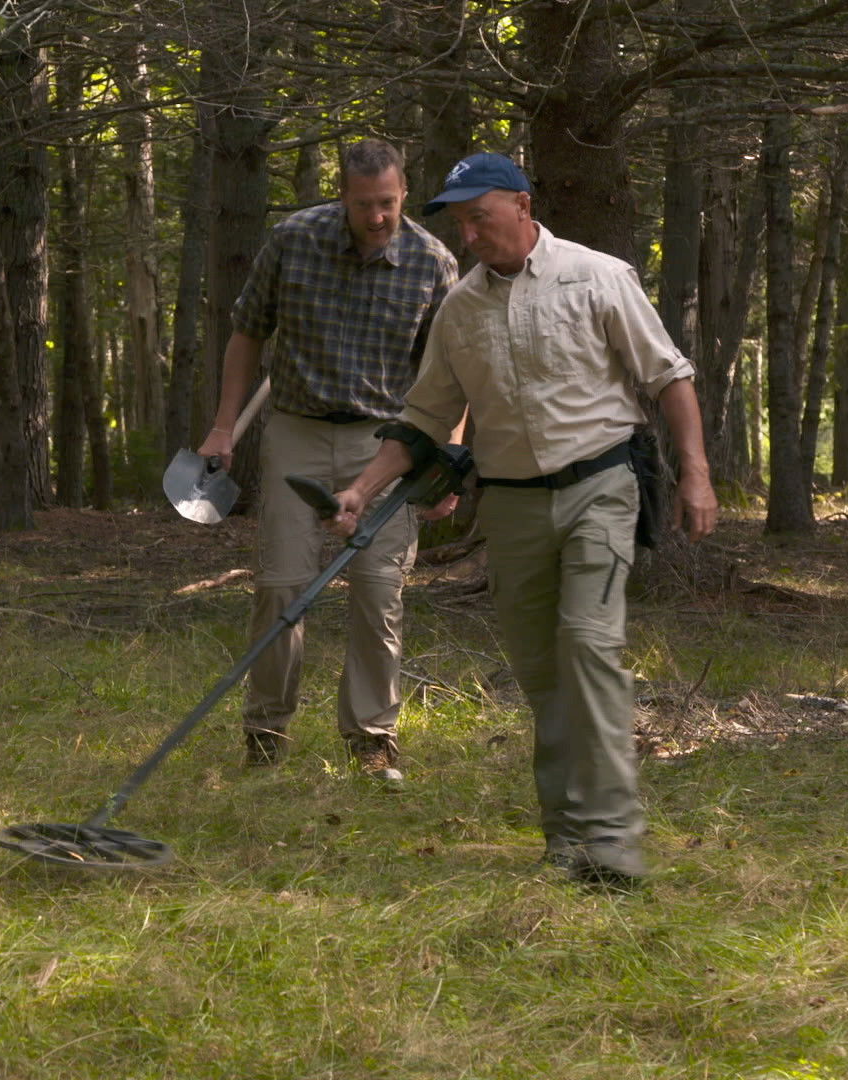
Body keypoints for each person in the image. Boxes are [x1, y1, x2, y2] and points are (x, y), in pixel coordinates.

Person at [327, 151, 718, 883]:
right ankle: (565, 837)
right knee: (543, 673)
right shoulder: (460, 309)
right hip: (509, 505)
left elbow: (670, 377)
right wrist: (363, 488)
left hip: (600, 487)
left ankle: (611, 840)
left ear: (522, 204)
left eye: (481, 216)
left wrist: (696, 475)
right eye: (461, 222)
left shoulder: (598, 276)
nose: (470, 234)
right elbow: (425, 418)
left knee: (589, 647)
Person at [197, 138, 459, 785]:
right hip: (297, 427)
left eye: (390, 203)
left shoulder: (432, 262)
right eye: (366, 204)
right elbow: (248, 332)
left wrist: (446, 462)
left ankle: (372, 740)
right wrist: (223, 425)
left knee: (378, 591)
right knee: (283, 584)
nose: (378, 217)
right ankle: (265, 732)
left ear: (403, 194)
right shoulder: (294, 241)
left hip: (389, 440)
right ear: (342, 195)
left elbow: (452, 374)